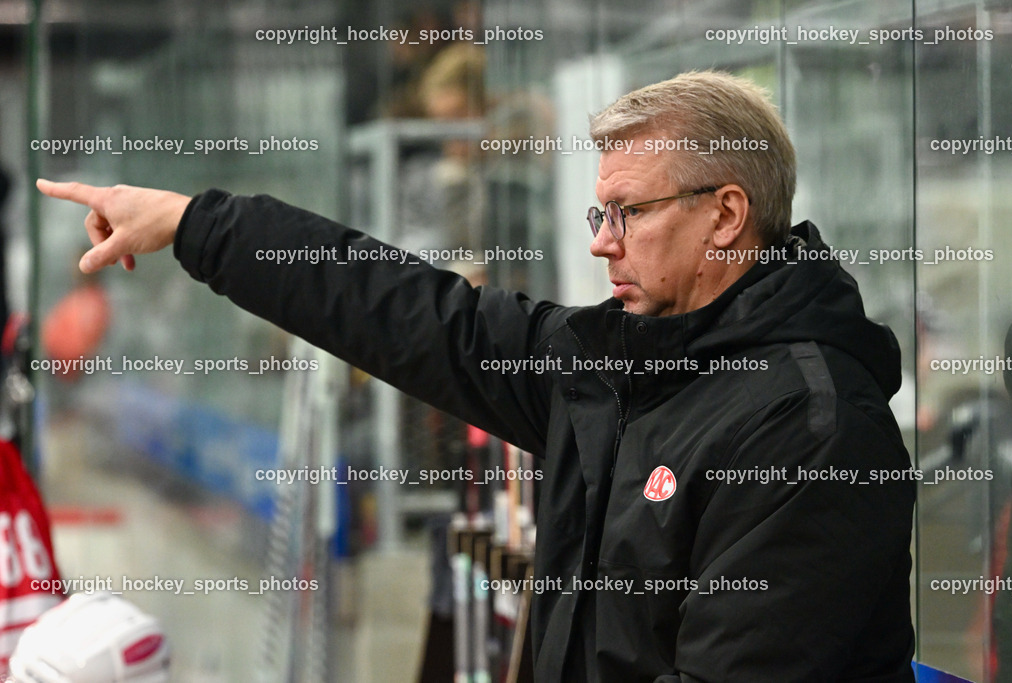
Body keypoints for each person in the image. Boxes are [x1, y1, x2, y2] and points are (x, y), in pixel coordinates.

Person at [37, 70, 916, 682]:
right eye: (596, 211)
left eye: (629, 212)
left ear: (726, 215)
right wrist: (196, 225)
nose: (600, 240)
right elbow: (413, 314)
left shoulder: (812, 428)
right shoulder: (618, 363)